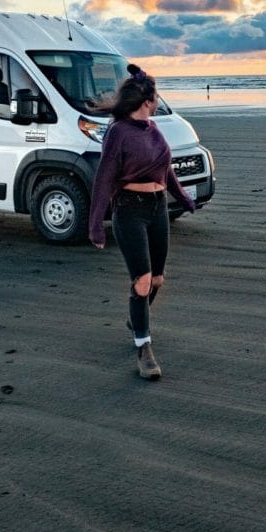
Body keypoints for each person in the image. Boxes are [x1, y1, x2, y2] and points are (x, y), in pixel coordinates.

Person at [88, 65, 196, 379]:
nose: (159, 99)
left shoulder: (154, 129)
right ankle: (143, 348)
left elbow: (167, 170)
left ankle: (137, 317)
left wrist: (183, 198)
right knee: (143, 280)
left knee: (158, 280)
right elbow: (104, 179)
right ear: (146, 99)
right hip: (129, 210)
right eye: (156, 95)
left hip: (158, 207)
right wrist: (95, 224)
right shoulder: (118, 132)